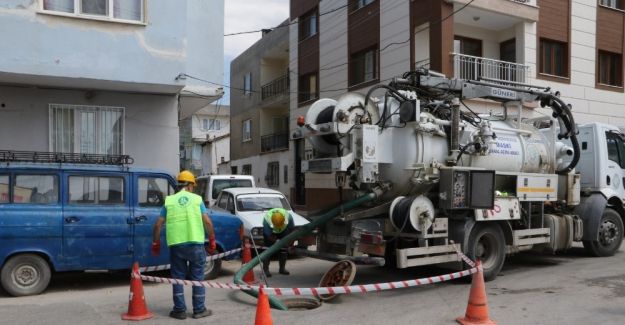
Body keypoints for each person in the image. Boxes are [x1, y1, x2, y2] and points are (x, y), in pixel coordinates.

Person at [152, 170, 216, 320]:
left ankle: (179, 310)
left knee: (177, 277)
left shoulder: (170, 200)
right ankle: (199, 310)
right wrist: (212, 239)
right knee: (197, 277)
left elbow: (157, 225)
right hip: (195, 244)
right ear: (190, 185)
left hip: (177, 245)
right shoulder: (196, 200)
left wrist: (155, 243)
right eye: (193, 185)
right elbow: (207, 221)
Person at [262, 208, 294, 277]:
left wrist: (291, 243)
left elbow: (292, 231)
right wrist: (277, 241)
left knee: (283, 250)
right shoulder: (267, 221)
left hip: (284, 230)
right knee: (268, 250)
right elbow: (269, 235)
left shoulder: (288, 217)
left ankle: (282, 269)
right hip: (271, 233)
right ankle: (266, 270)